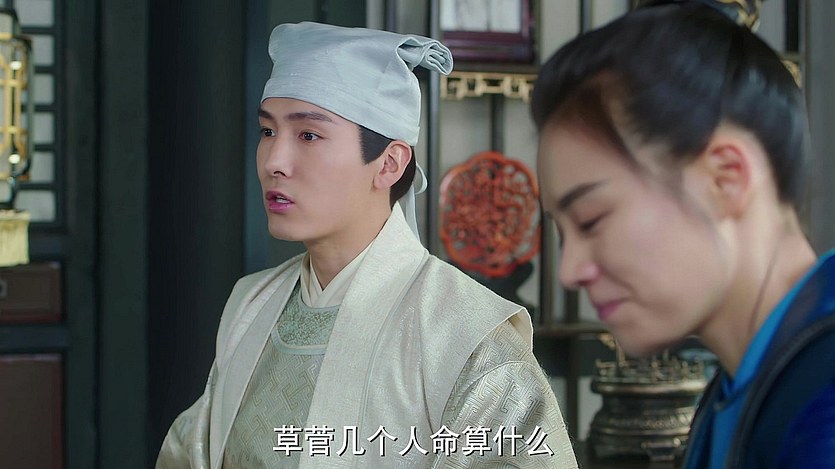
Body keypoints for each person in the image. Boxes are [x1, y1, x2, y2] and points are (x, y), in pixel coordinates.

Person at [157, 21, 577, 468]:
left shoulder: (466, 335)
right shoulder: (252, 304)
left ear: (389, 163)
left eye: (308, 135)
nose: (274, 162)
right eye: (267, 132)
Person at [531, 1, 835, 468]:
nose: (569, 271)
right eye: (561, 233)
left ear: (725, 179)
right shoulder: (743, 385)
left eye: (591, 219)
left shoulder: (823, 406)